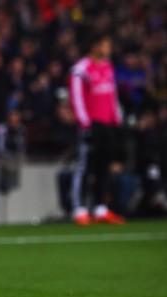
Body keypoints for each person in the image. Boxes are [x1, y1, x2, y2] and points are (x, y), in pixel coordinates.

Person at [69, 32, 126, 225]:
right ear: (95, 46)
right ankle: (79, 209)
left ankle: (101, 208)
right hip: (91, 125)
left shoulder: (108, 67)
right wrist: (85, 123)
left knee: (104, 167)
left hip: (108, 125)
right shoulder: (80, 69)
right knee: (85, 167)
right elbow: (76, 99)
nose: (109, 48)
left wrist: (117, 119)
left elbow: (113, 95)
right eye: (105, 44)